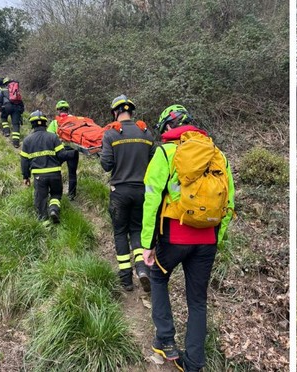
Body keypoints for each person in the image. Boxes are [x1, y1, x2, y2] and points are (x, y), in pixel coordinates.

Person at [141, 104, 235, 371]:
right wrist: (218, 237)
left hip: (174, 235)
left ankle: (165, 341)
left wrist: (147, 244)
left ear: (168, 128)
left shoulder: (165, 152)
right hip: (207, 239)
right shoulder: (218, 155)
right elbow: (229, 203)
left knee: (158, 277)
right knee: (197, 300)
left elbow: (150, 200)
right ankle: (193, 364)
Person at [101, 94, 155, 292]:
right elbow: (153, 163)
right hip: (142, 192)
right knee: (137, 230)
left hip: (120, 192)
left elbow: (106, 165)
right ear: (131, 112)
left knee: (120, 232)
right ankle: (142, 269)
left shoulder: (111, 134)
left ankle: (125, 278)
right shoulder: (146, 133)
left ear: (116, 112)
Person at [20, 111, 73, 225]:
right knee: (56, 194)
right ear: (45, 123)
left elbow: (24, 161)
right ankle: (54, 209)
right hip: (55, 174)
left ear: (32, 124)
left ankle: (44, 223)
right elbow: (61, 155)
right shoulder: (53, 137)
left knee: (41, 199)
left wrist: (26, 176)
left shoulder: (27, 141)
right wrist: (73, 153)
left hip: (39, 177)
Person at [48, 100, 80, 199]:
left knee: (54, 170)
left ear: (58, 110)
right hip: (73, 150)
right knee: (72, 173)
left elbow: (49, 136)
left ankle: (55, 192)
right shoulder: (75, 121)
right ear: (67, 110)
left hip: (60, 150)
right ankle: (71, 195)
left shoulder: (55, 122)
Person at [0, 77, 25, 148]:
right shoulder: (16, 90)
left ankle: (7, 132)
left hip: (7, 106)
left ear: (5, 83)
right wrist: (21, 110)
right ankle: (16, 143)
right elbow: (20, 100)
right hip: (16, 107)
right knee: (15, 124)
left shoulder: (3, 90)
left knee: (3, 117)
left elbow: (0, 100)